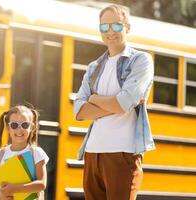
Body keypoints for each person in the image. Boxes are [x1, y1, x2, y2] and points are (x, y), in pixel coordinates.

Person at [74, 4, 155, 200]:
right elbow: (79, 111)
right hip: (92, 152)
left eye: (116, 26)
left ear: (127, 27)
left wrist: (94, 99)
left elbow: (124, 103)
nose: (110, 31)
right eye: (104, 27)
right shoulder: (94, 67)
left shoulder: (141, 60)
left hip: (123, 152)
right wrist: (116, 104)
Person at [0, 105, 49, 200]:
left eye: (25, 125)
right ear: (8, 128)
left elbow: (42, 184)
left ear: (32, 127)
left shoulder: (36, 153)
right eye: (14, 125)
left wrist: (15, 189)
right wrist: (1, 197)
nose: (19, 129)